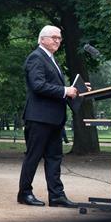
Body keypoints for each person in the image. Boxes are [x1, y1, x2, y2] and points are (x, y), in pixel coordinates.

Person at [17, 25, 80, 208]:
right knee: (33, 156)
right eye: (54, 37)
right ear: (42, 39)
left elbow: (54, 87)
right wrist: (64, 90)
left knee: (54, 157)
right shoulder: (36, 58)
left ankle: (56, 196)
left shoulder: (51, 59)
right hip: (39, 118)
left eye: (59, 38)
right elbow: (38, 85)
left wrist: (74, 91)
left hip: (54, 118)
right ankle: (24, 193)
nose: (57, 41)